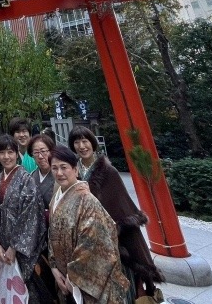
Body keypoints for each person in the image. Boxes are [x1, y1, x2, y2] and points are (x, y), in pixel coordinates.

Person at [69, 126, 163, 299]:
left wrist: (116, 229)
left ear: (92, 143)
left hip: (113, 241)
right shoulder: (73, 172)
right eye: (76, 142)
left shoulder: (109, 172)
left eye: (85, 141)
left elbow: (120, 205)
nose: (81, 146)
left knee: (120, 288)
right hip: (87, 240)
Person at [48, 145, 129, 304]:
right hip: (62, 274)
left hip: (81, 279)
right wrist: (54, 267)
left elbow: (92, 242)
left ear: (75, 169)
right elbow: (52, 234)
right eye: (54, 168)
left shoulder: (87, 200)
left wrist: (73, 278)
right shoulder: (57, 198)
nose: (59, 173)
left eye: (64, 167)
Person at [0, 135, 46, 303]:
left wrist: (14, 248)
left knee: (26, 293)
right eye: (1, 152)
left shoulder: (26, 180)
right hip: (1, 249)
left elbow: (30, 217)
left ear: (16, 154)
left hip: (21, 252)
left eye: (10, 152)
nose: (6, 157)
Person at [28, 133, 56, 209]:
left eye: (43, 151)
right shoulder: (30, 177)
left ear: (51, 152)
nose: (40, 156)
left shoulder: (59, 176)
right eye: (36, 153)